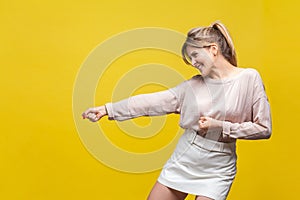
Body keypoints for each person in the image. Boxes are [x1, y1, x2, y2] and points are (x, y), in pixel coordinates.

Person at [82, 21, 272, 200]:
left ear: (213, 50)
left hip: (219, 166)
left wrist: (220, 126)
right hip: (186, 157)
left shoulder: (248, 78)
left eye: (195, 55)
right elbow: (151, 102)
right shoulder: (192, 86)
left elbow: (264, 128)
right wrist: (108, 109)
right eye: (190, 58)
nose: (193, 62)